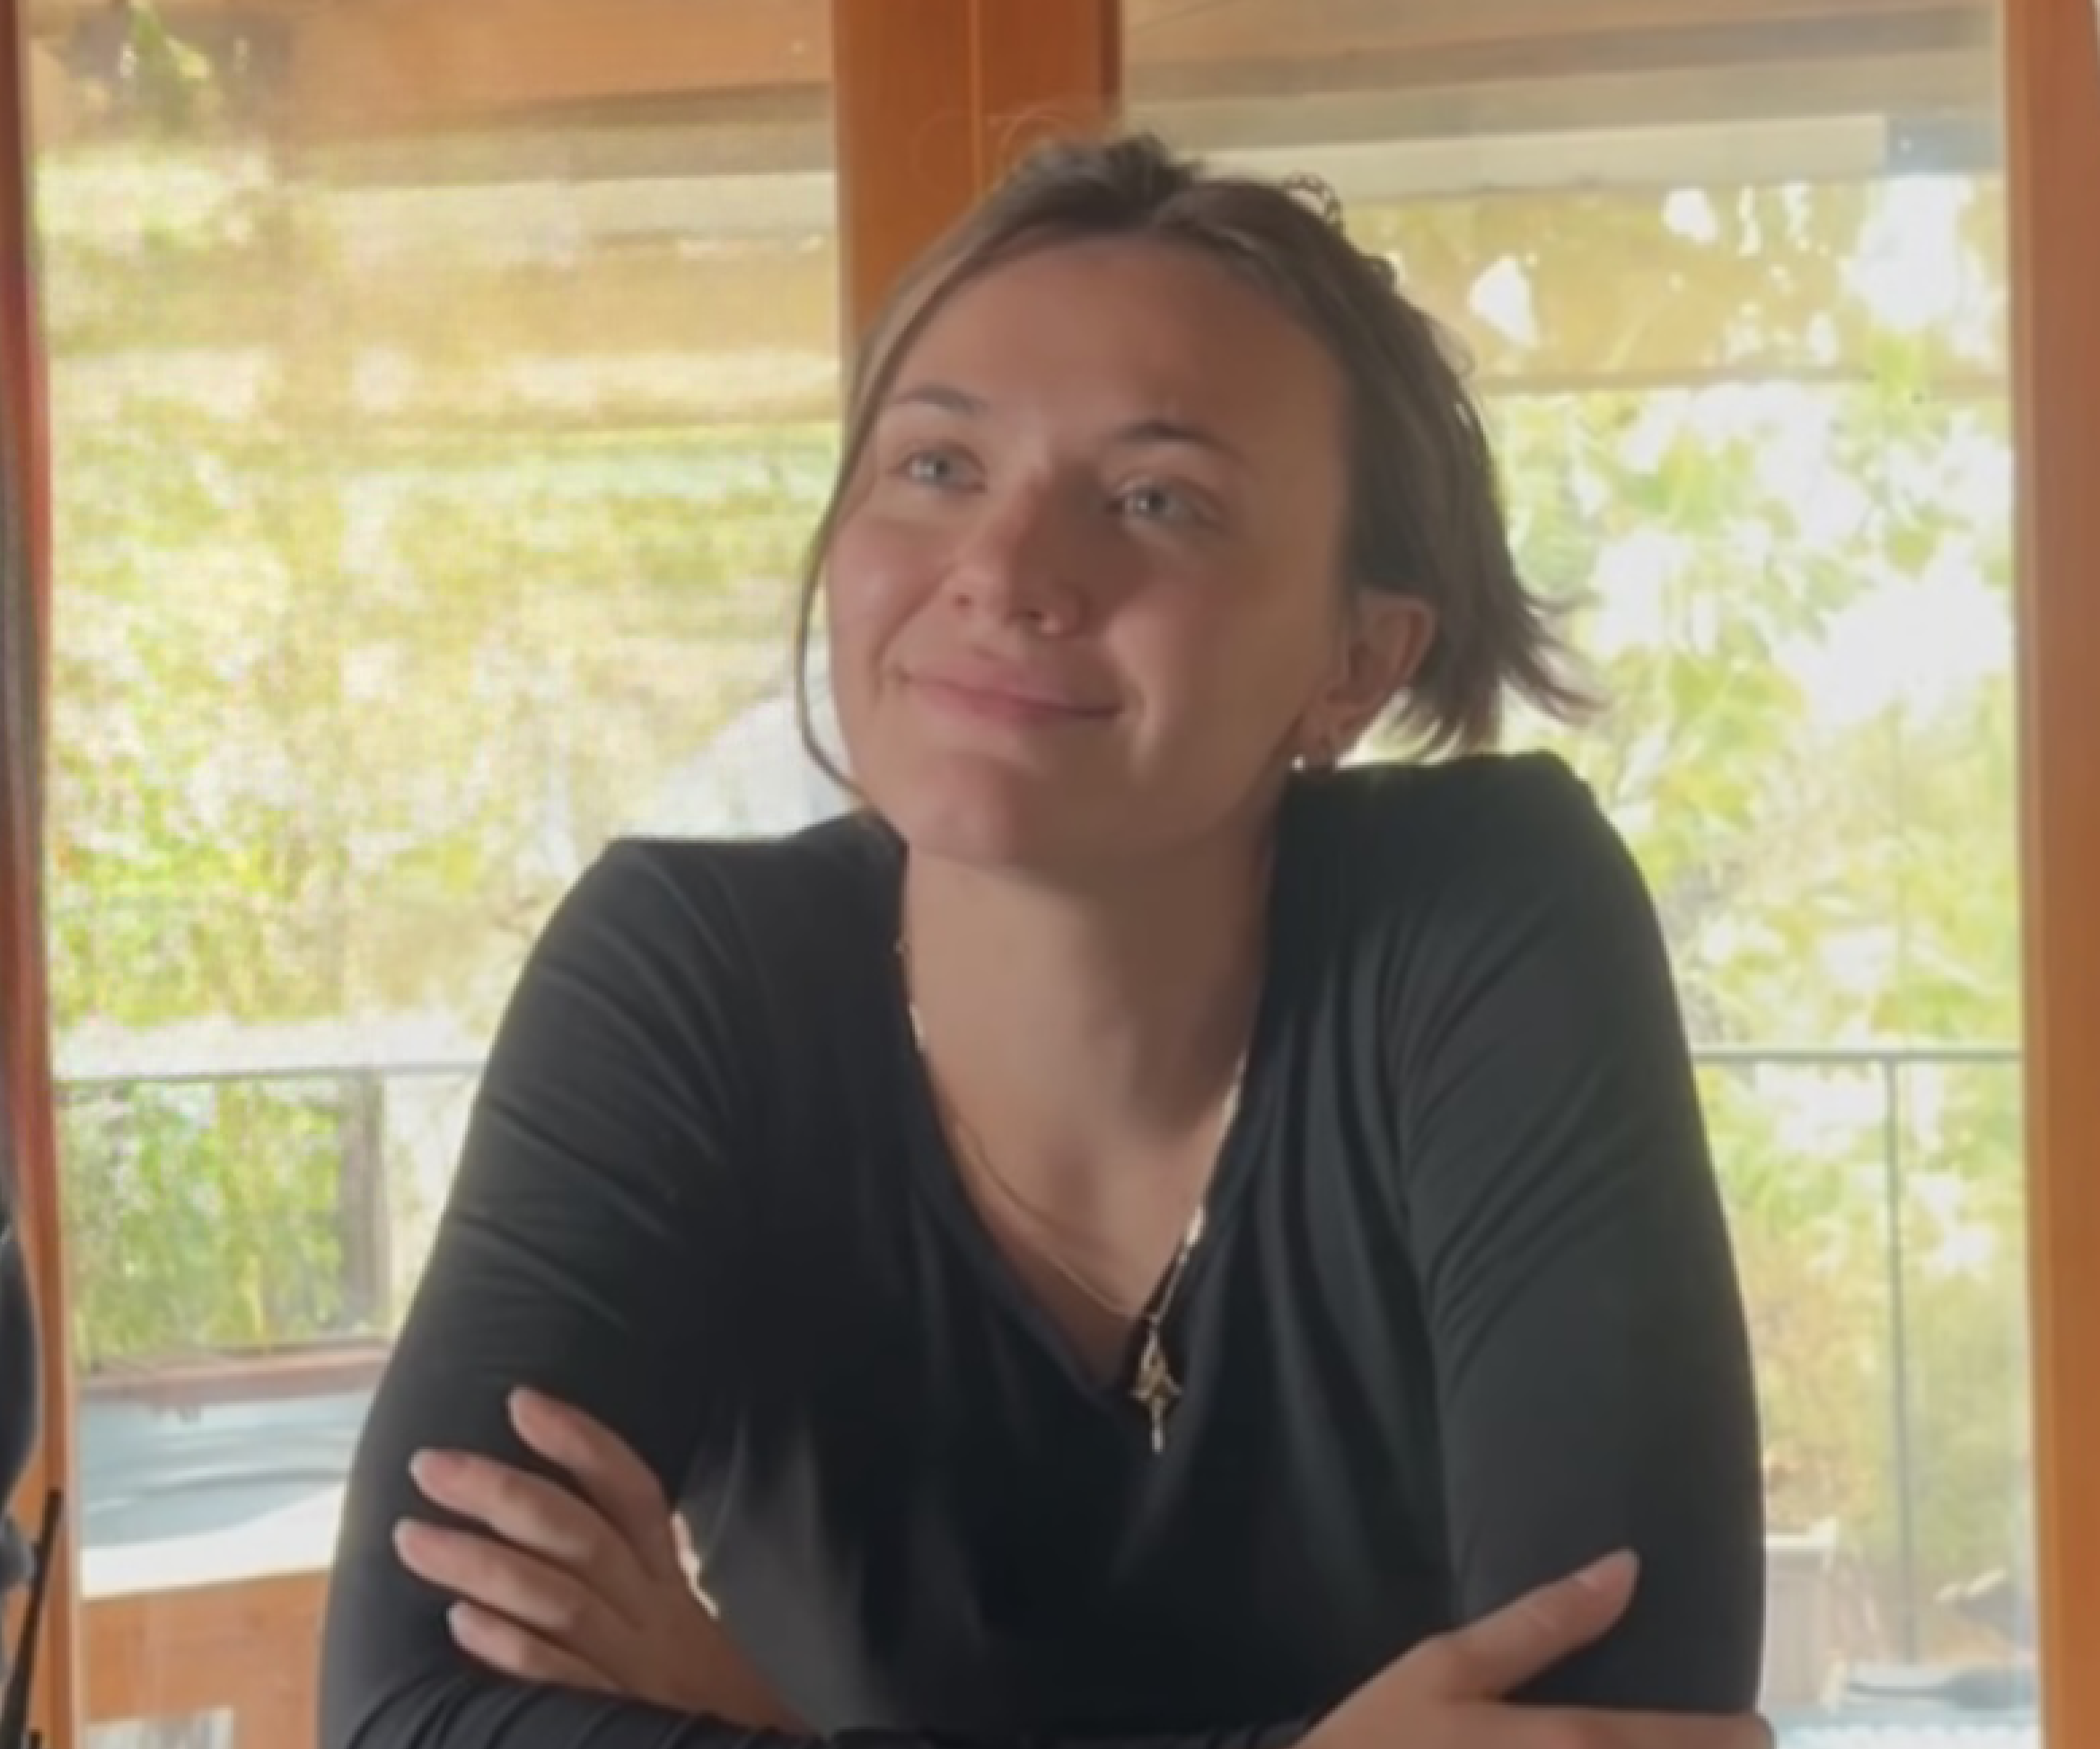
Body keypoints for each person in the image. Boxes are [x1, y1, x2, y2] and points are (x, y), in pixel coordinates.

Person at [317, 131, 1770, 1749]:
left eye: (1158, 499)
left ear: (1352, 666)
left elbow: (1625, 1727)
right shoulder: (686, 978)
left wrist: (770, 1728)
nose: (1004, 573)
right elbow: (407, 1713)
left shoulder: (1485, 919)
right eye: (938, 468)